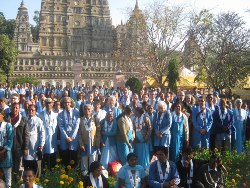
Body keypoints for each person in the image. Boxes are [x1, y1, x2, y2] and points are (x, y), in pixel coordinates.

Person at [79, 104, 101, 175]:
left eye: (89, 109)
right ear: (83, 110)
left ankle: (93, 173)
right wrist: (81, 144)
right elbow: (79, 134)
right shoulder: (80, 120)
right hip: (84, 143)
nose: (87, 111)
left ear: (91, 110)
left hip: (93, 143)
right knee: (84, 159)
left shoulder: (95, 119)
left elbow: (98, 132)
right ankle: (84, 175)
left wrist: (97, 143)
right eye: (85, 109)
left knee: (93, 159)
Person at [24, 105, 45, 178]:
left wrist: (41, 145)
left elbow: (42, 133)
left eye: (32, 110)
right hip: (27, 146)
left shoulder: (38, 120)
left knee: (36, 166)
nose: (31, 111)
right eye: (29, 110)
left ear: (35, 111)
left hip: (35, 145)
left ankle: (37, 181)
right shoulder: (25, 119)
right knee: (27, 165)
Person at [58, 97, 80, 167]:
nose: (67, 104)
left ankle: (74, 173)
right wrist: (66, 137)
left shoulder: (76, 112)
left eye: (68, 102)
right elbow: (60, 126)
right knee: (65, 157)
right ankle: (65, 173)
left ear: (71, 103)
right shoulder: (60, 114)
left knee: (73, 157)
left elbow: (77, 125)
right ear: (63, 104)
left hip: (74, 137)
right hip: (64, 138)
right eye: (65, 103)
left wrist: (72, 137)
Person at [10, 102, 30, 179]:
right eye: (13, 107)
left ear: (19, 109)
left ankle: (18, 184)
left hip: (19, 147)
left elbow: (26, 135)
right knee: (9, 167)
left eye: (16, 108)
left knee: (19, 168)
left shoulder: (23, 120)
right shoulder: (6, 119)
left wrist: (25, 147)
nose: (15, 109)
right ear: (11, 108)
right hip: (8, 148)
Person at [39, 98, 58, 169]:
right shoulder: (40, 114)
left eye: (50, 103)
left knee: (53, 156)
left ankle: (52, 172)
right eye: (47, 103)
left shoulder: (56, 115)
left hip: (53, 138)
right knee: (45, 156)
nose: (48, 104)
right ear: (45, 104)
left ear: (53, 104)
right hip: (44, 138)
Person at [0, 110, 13, 187]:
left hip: (5, 153)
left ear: (2, 116)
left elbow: (10, 140)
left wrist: (3, 151)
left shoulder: (8, 125)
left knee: (8, 177)